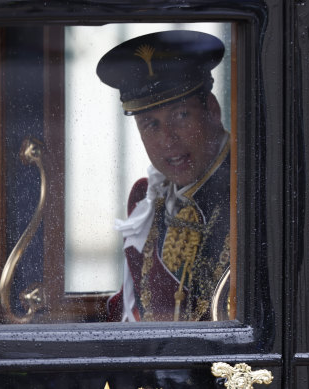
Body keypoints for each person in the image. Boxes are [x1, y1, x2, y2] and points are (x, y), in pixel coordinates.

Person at [97, 30, 231, 322]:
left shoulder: (254, 189)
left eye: (181, 115)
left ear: (212, 110)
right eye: (150, 125)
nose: (167, 139)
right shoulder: (146, 200)